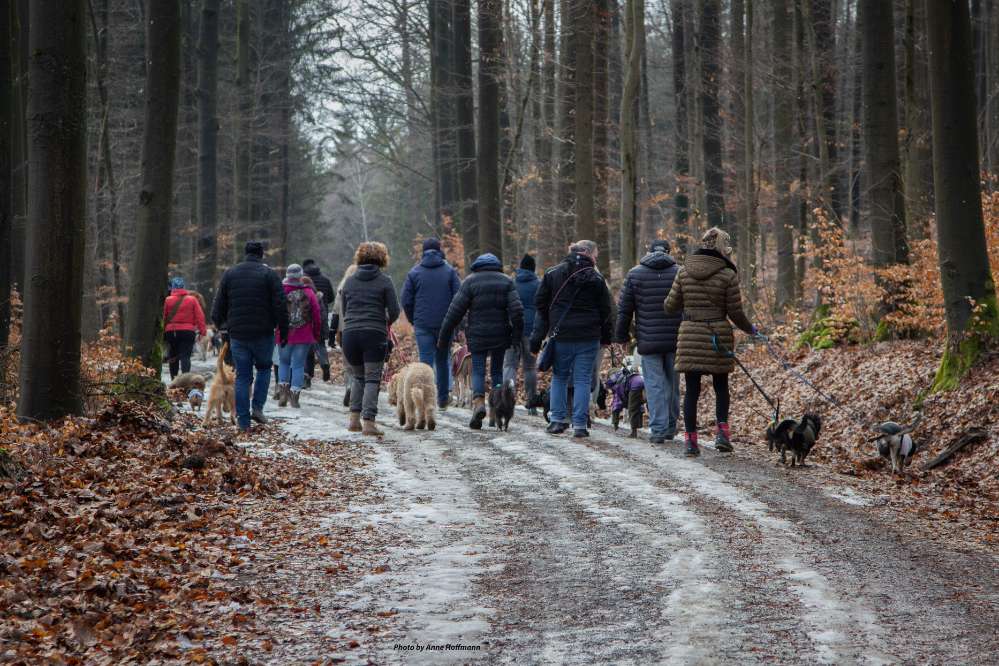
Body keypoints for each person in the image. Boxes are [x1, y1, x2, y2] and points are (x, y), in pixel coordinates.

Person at [665, 227, 759, 457]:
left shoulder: (684, 272)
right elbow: (735, 312)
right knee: (720, 387)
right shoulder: (727, 274)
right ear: (722, 248)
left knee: (692, 391)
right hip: (718, 334)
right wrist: (751, 329)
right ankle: (722, 435)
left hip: (690, 334)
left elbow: (670, 306)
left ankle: (690, 442)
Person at [530, 240, 612, 438]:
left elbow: (539, 303)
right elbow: (606, 311)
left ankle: (558, 421)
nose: (595, 259)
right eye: (595, 255)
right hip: (589, 335)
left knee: (560, 376)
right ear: (587, 254)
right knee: (582, 379)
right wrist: (606, 337)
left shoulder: (552, 273)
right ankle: (580, 424)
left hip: (562, 334)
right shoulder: (597, 278)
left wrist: (550, 323)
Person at [438, 253, 524, 430]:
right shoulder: (506, 281)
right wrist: (516, 336)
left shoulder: (470, 282)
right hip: (501, 334)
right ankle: (496, 409)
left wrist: (443, 338)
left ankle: (478, 403)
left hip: (477, 334)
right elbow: (517, 311)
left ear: (477, 265)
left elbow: (454, 312)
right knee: (497, 371)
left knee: (477, 370)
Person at [212, 241, 288, 431]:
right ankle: (258, 408)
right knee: (264, 368)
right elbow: (280, 304)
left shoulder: (230, 273)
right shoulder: (269, 274)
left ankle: (243, 422)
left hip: (238, 333)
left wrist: (222, 327)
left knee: (243, 376)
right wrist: (284, 330)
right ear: (261, 254)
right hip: (263, 332)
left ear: (245, 253)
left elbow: (218, 305)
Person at [614, 238, 682, 444]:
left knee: (654, 385)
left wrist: (622, 336)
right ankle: (670, 425)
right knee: (672, 383)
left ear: (649, 252)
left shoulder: (635, 274)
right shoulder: (680, 272)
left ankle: (658, 429)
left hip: (648, 340)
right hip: (676, 338)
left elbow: (624, 310)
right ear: (669, 252)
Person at [340, 242, 400, 435]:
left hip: (350, 335)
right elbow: (394, 311)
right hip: (374, 334)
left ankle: (354, 421)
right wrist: (385, 322)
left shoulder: (348, 281)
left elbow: (344, 310)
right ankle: (369, 422)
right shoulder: (385, 281)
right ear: (382, 259)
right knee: (372, 378)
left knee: (358, 377)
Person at [401, 238, 462, 409]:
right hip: (446, 324)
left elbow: (406, 300)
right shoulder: (450, 272)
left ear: (423, 252)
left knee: (424, 364)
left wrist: (415, 319)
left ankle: (425, 400)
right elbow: (459, 298)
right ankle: (442, 399)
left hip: (423, 325)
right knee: (443, 360)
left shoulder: (414, 273)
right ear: (439, 250)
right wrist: (455, 322)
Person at [275, 265, 322, 408]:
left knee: (283, 362)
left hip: (283, 333)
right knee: (298, 365)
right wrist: (316, 333)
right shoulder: (308, 292)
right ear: (300, 276)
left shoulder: (281, 291)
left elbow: (275, 310)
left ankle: (283, 393)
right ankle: (294, 397)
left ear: (288, 276)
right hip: (304, 334)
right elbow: (316, 314)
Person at [503, 254, 540, 414]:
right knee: (530, 367)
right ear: (533, 268)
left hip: (512, 330)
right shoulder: (539, 284)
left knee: (510, 365)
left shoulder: (511, 283)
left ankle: (505, 399)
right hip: (531, 330)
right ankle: (531, 403)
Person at [163, 277, 207, 380]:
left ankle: (174, 381)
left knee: (173, 357)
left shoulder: (167, 300)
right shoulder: (192, 299)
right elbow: (200, 316)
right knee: (185, 357)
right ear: (184, 287)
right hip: (188, 332)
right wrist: (202, 332)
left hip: (171, 332)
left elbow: (164, 317)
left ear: (173, 287)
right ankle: (185, 381)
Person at [303, 259, 334, 385]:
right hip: (322, 314)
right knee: (320, 343)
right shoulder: (325, 280)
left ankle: (308, 376)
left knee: (307, 349)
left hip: (305, 318)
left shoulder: (302, 281)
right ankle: (324, 363)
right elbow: (331, 297)